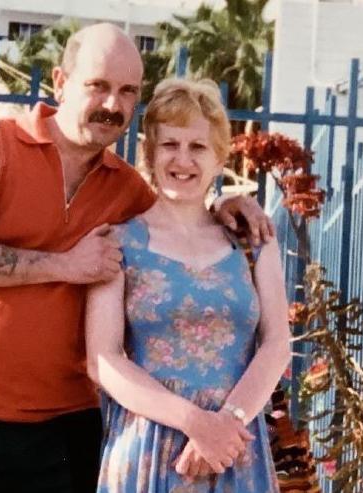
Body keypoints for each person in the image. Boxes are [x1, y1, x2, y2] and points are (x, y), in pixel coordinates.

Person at [0, 23, 274, 493]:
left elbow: (179, 213)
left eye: (128, 92)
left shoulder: (126, 190)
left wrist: (225, 206)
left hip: (60, 426)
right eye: (99, 86)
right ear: (61, 82)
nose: (113, 104)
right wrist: (66, 264)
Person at [85, 78, 291, 492]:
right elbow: (103, 360)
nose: (183, 159)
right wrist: (197, 424)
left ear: (219, 158)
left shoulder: (253, 242)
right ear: (149, 154)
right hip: (148, 448)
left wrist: (226, 426)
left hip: (235, 449)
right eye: (169, 145)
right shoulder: (118, 243)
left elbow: (277, 344)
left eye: (197, 147)